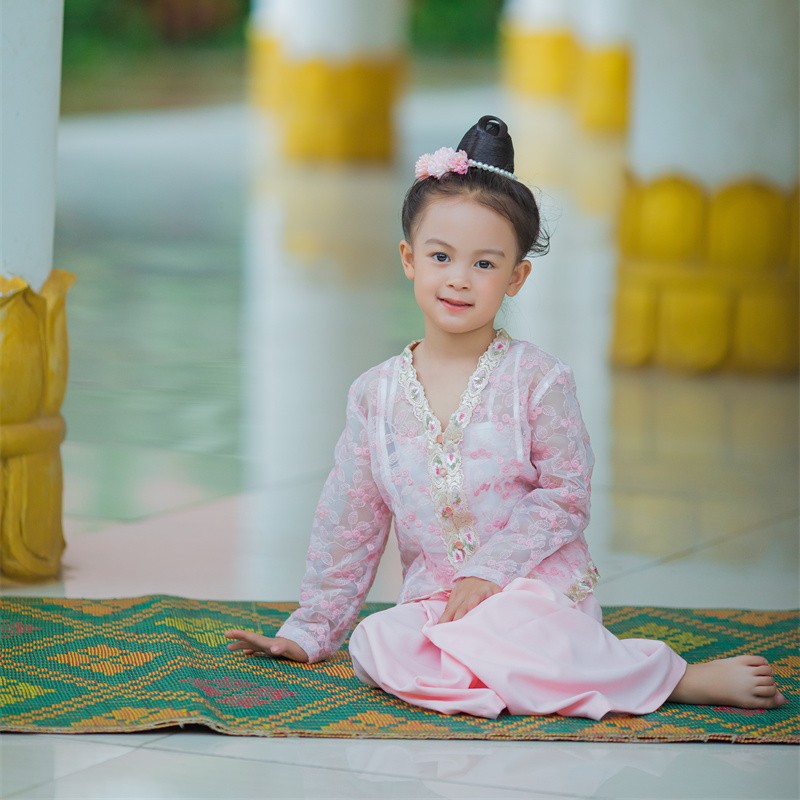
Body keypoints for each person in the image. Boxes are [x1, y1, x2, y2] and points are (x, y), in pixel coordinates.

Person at [226, 116, 785, 719]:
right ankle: (516, 681)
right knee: (375, 644)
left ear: (517, 276)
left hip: (530, 594)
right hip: (438, 607)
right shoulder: (375, 395)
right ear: (410, 259)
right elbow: (350, 521)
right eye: (441, 256)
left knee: (521, 630)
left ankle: (674, 680)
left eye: (486, 265)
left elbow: (567, 495)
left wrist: (491, 574)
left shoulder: (539, 381)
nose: (460, 279)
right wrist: (311, 630)